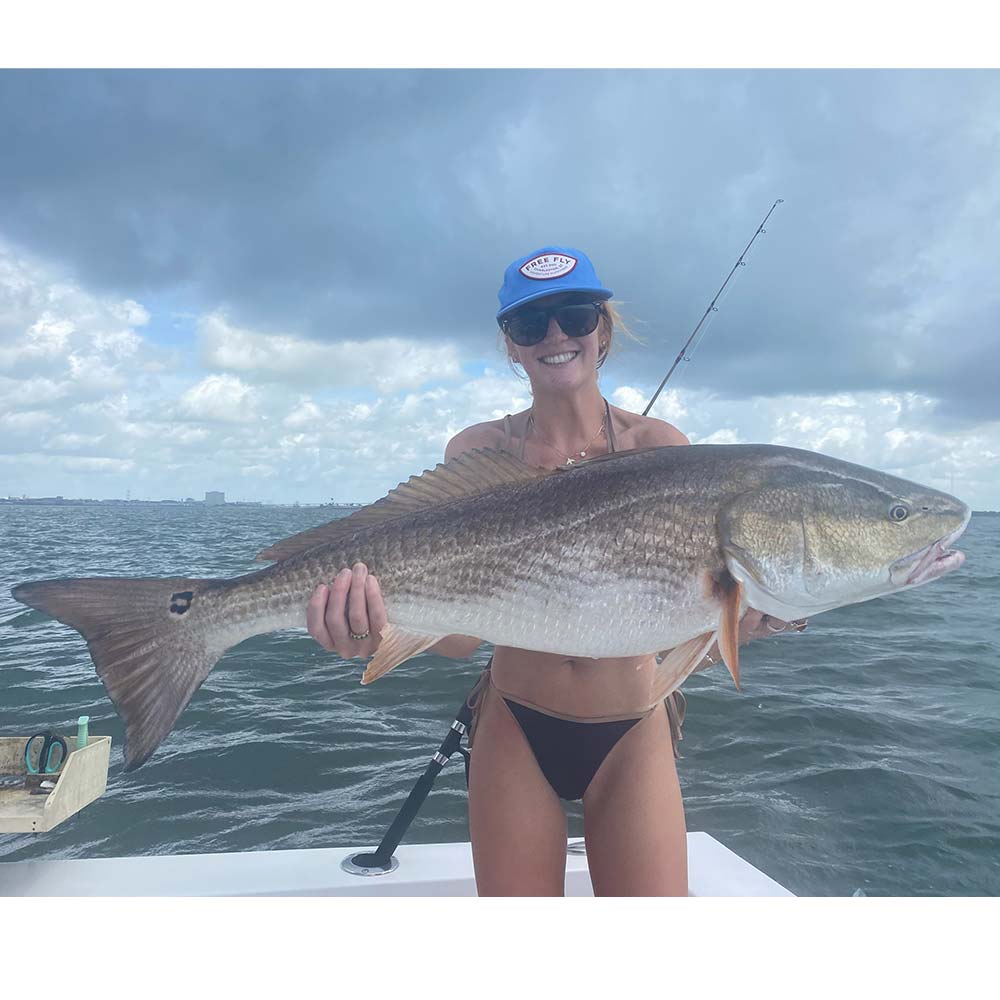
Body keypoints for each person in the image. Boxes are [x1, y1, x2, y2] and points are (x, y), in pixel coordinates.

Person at [306, 246, 798, 896]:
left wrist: (738, 621)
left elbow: (675, 633)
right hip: (516, 725)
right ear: (510, 345)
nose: (557, 336)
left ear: (604, 329)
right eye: (531, 324)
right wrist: (371, 629)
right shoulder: (478, 451)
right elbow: (457, 641)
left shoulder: (661, 449)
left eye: (574, 314)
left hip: (634, 725)